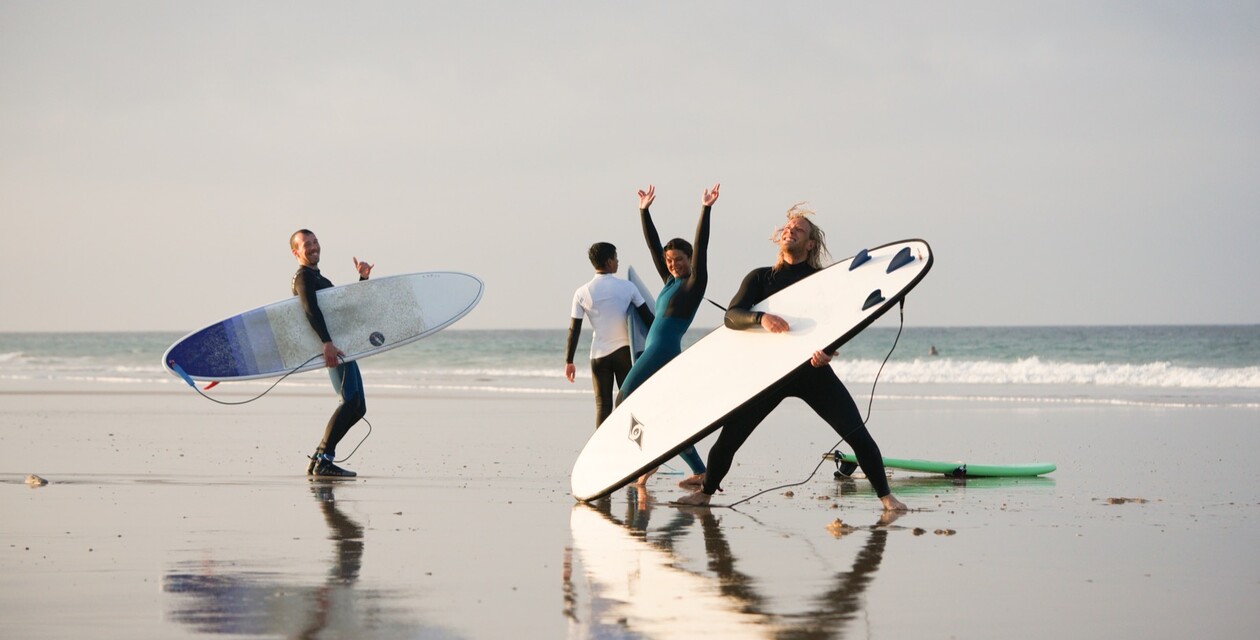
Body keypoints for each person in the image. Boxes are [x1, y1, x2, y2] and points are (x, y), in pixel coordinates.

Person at [674, 205, 907, 512]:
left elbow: (839, 322)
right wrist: (762, 318)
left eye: (798, 229)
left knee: (857, 434)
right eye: (786, 228)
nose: (789, 231)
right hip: (768, 374)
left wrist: (830, 349)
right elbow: (733, 316)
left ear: (810, 243)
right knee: (729, 439)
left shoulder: (823, 282)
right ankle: (705, 493)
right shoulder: (760, 278)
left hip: (811, 372)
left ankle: (887, 499)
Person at [615, 183, 719, 489]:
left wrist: (706, 208)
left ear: (689, 259)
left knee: (623, 398)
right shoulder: (669, 281)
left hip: (662, 352)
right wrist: (644, 212)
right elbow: (653, 246)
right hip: (655, 352)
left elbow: (702, 247)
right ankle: (698, 469)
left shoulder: (693, 284)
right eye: (670, 260)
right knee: (663, 413)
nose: (673, 263)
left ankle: (649, 457)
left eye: (679, 259)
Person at [290, 229, 373, 478]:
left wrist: (363, 280)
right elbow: (309, 309)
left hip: (342, 347)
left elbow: (343, 312)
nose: (313, 247)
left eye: (315, 241)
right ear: (296, 252)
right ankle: (324, 459)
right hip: (331, 347)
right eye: (306, 244)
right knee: (349, 402)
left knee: (358, 407)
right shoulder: (303, 278)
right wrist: (326, 343)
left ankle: (319, 457)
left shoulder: (319, 278)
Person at [565, 242, 655, 427]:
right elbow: (649, 320)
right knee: (629, 402)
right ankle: (631, 444)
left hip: (599, 355)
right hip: (624, 353)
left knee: (602, 406)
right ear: (608, 262)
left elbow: (574, 329)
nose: (617, 261)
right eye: (615, 258)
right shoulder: (628, 287)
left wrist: (569, 360)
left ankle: (602, 448)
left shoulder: (581, 292)